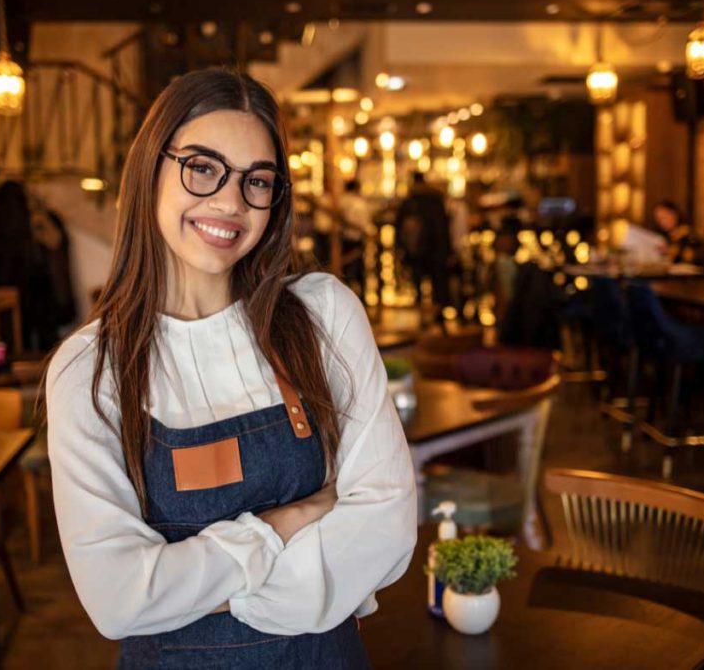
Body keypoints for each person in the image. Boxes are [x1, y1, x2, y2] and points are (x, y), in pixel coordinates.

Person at [45, 68, 417, 668]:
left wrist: (205, 591)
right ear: (151, 170)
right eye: (202, 167)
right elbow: (117, 601)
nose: (229, 202)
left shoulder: (323, 314)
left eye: (258, 181)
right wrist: (285, 523)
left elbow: (388, 527)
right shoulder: (89, 370)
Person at [0, 181, 75, 351]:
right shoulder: (6, 229)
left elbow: (54, 244)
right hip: (19, 297)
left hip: (39, 298)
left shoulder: (36, 222)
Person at [395, 171, 453, 309]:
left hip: (417, 247)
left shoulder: (410, 201)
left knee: (418, 279)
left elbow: (400, 225)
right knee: (437, 281)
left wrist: (400, 246)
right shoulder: (435, 200)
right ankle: (437, 313)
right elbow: (443, 225)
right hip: (436, 247)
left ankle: (422, 309)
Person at [652, 200, 702, 265]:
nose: (662, 222)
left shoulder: (688, 234)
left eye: (664, 217)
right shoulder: (663, 236)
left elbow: (694, 258)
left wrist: (671, 252)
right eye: (658, 219)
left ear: (675, 214)